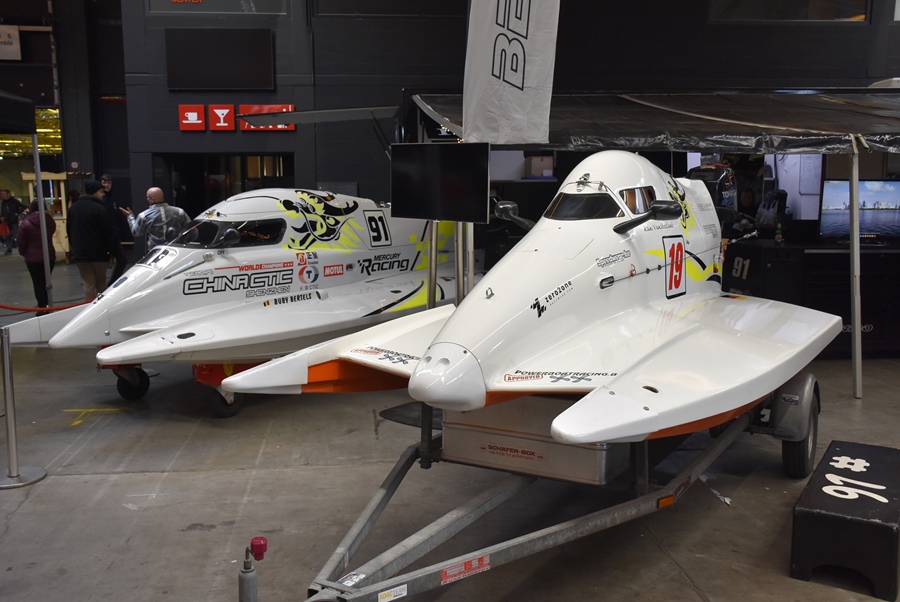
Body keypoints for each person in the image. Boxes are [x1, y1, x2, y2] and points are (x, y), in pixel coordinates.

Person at [67, 179, 125, 300]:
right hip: (99, 254)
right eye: (101, 191)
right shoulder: (100, 208)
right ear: (94, 192)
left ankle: (89, 307)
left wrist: (75, 248)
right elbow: (109, 232)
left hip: (80, 254)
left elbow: (69, 230)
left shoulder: (74, 208)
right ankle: (102, 306)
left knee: (88, 283)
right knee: (101, 282)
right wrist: (113, 251)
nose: (103, 194)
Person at [17, 199, 57, 315]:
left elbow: (21, 241)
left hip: (33, 257)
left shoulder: (26, 223)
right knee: (46, 281)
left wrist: (24, 252)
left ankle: (42, 306)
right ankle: (48, 304)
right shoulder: (50, 221)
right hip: (49, 255)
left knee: (38, 282)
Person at [121, 187, 191, 251]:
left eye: (147, 197)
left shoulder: (144, 215)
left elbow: (136, 232)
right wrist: (183, 241)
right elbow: (192, 231)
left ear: (152, 199)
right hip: (176, 250)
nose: (147, 199)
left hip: (155, 252)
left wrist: (130, 217)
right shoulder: (180, 212)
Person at [100, 174, 133, 283]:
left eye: (108, 183)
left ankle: (110, 284)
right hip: (103, 235)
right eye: (104, 182)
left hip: (112, 234)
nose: (106, 185)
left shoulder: (113, 197)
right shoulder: (100, 198)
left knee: (122, 260)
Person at [1, 188, 29, 255]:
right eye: (2, 194)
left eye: (4, 194)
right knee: (7, 235)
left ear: (8, 194)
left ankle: (21, 247)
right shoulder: (3, 202)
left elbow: (24, 206)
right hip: (6, 221)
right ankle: (9, 249)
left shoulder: (14, 201)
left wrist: (17, 213)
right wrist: (2, 216)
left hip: (14, 220)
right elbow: (2, 210)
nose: (3, 195)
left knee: (16, 234)